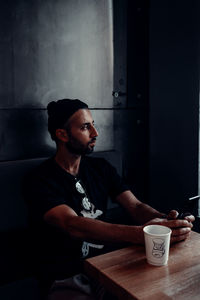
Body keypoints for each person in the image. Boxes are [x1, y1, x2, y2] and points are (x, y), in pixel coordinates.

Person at [25, 99, 194, 300]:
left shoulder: (101, 168)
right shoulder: (39, 179)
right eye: (85, 127)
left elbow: (135, 206)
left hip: (110, 266)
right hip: (66, 276)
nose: (95, 133)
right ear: (62, 134)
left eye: (93, 125)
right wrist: (138, 234)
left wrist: (166, 221)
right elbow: (73, 224)